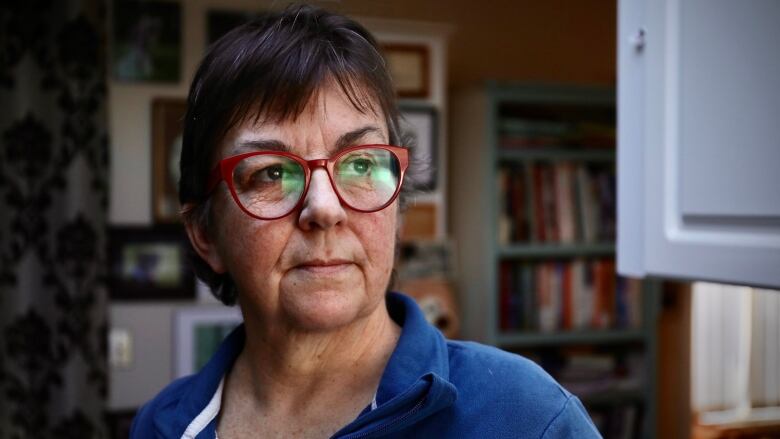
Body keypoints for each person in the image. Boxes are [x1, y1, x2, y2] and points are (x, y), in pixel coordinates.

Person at [130, 5, 601, 438]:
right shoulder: (161, 426)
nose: (325, 209)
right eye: (271, 172)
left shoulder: (528, 418)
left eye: (359, 165)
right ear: (205, 233)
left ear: (396, 211)